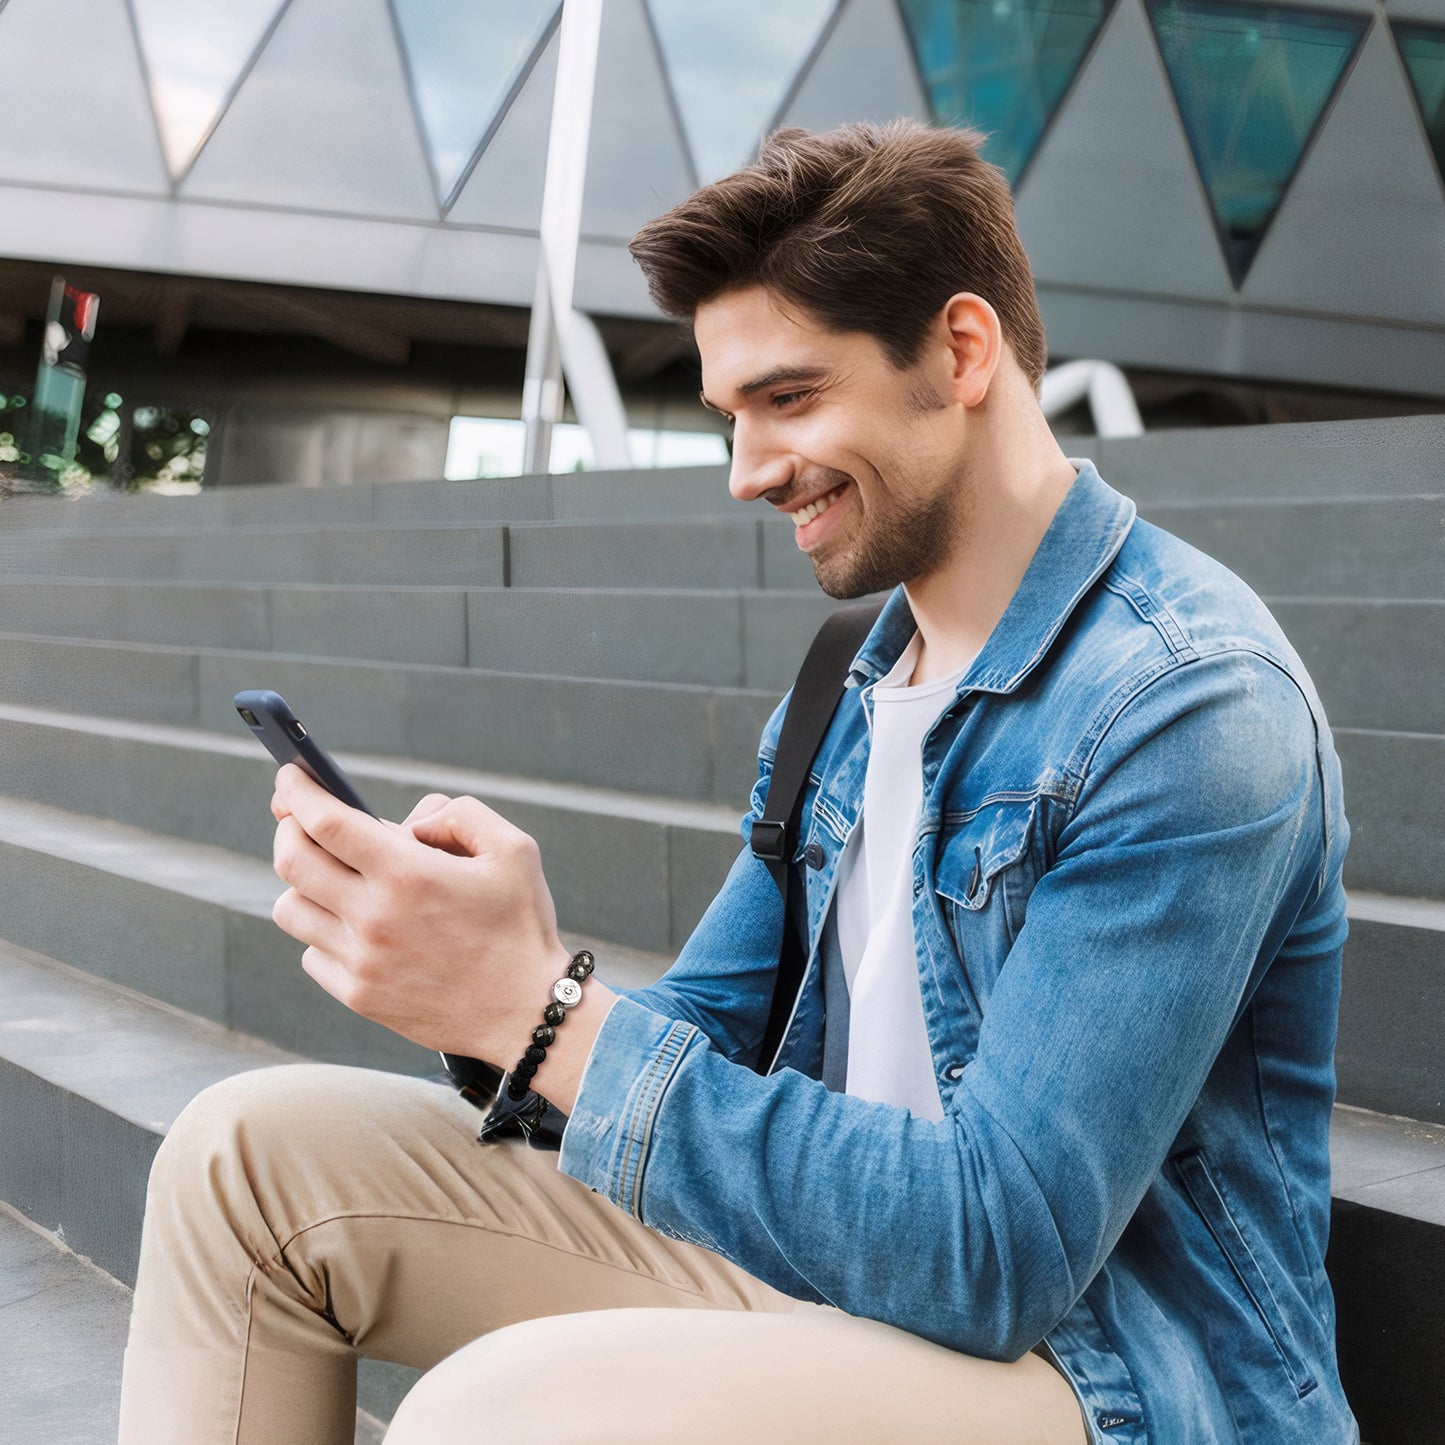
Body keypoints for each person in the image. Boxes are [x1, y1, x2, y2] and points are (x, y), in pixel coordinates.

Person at [119, 120, 1355, 1444]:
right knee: (241, 1157)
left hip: (1102, 1371)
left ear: (961, 349)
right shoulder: (850, 680)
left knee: (498, 1414)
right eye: (729, 415)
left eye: (789, 398)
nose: (746, 471)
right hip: (842, 1279)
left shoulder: (1184, 704)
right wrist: (496, 979)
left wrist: (545, 1013)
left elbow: (998, 1249)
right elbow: (700, 1029)